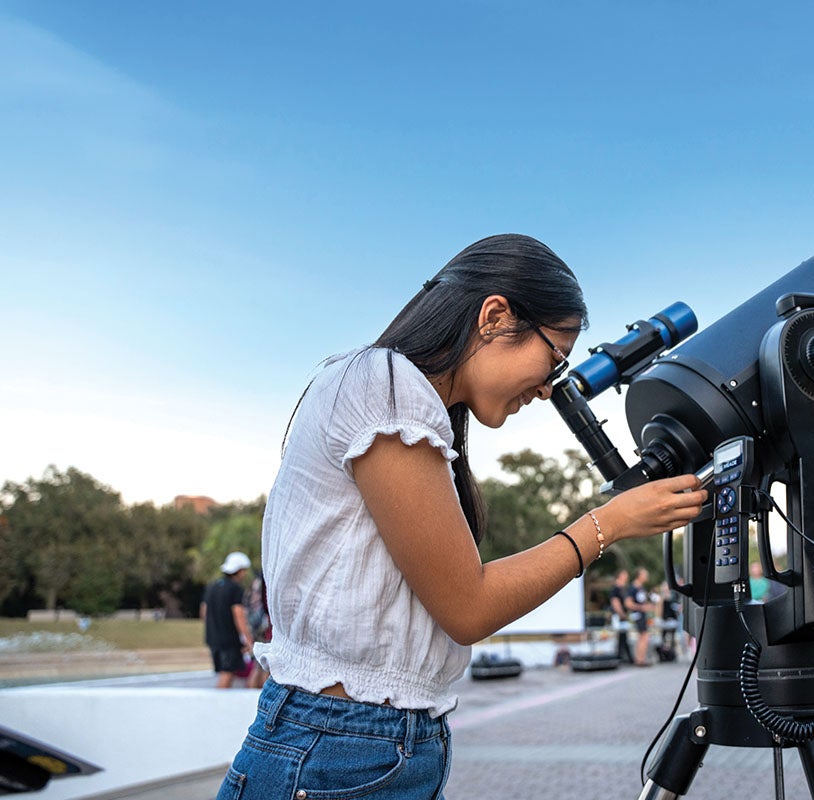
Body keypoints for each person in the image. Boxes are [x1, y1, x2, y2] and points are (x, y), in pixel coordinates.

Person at [217, 235, 706, 800]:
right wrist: (608, 524)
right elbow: (468, 607)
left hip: (366, 746)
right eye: (554, 357)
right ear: (495, 317)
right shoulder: (387, 385)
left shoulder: (404, 399)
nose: (549, 388)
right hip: (340, 751)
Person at [201, 551, 254, 689]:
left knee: (226, 672)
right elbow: (239, 615)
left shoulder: (212, 586)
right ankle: (217, 705)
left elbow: (203, 612)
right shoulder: (235, 589)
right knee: (228, 672)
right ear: (239, 571)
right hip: (229, 639)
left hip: (212, 637)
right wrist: (248, 639)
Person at [628, 567, 655, 666]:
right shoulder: (633, 588)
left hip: (642, 615)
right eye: (645, 575)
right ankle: (640, 659)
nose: (646, 577)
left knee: (643, 636)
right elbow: (629, 603)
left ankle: (641, 658)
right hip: (638, 615)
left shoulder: (641, 588)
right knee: (643, 636)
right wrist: (642, 607)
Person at [608, 569, 634, 664]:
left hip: (623, 616)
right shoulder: (616, 588)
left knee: (623, 637)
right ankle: (626, 657)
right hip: (619, 617)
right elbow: (615, 602)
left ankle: (622, 656)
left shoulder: (623, 588)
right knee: (622, 636)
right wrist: (621, 613)